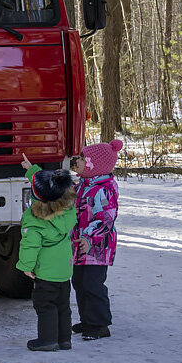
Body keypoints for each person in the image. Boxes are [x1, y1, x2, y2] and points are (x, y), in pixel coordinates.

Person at [17, 155, 78, 352]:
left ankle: (48, 339)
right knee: (63, 305)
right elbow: (50, 188)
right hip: (64, 269)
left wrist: (25, 266)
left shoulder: (35, 219)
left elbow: (30, 245)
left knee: (46, 305)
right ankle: (64, 339)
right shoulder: (68, 208)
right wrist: (31, 169)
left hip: (45, 271)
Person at [71, 138, 122, 341]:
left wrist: (89, 238)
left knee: (93, 284)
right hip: (81, 245)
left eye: (83, 158)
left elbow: (106, 219)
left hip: (98, 247)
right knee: (79, 282)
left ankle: (100, 324)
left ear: (94, 164)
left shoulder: (104, 189)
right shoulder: (82, 185)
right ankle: (87, 320)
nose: (79, 161)